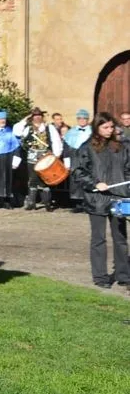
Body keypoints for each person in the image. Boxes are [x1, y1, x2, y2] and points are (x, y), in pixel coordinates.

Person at [72, 112, 130, 290]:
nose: (109, 130)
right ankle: (100, 276)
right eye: (105, 127)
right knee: (98, 239)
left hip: (119, 197)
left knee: (120, 239)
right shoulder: (86, 147)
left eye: (111, 127)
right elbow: (78, 172)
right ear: (96, 128)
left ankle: (123, 275)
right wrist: (95, 183)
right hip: (97, 198)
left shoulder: (121, 147)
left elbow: (127, 169)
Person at [13, 107, 63, 211]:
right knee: (33, 180)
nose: (37, 118)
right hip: (32, 157)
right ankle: (32, 203)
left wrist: (56, 155)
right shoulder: (27, 128)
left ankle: (47, 203)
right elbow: (16, 131)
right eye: (35, 116)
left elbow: (56, 141)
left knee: (46, 180)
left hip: (46, 158)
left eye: (39, 115)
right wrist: (24, 120)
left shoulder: (49, 128)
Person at [0, 111, 20, 209]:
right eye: (0, 119)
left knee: (8, 179)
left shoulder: (10, 132)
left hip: (8, 156)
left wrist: (16, 160)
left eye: (4, 119)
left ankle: (7, 201)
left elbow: (16, 146)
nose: (3, 121)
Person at [64, 109, 93, 213]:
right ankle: (78, 204)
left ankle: (88, 204)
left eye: (84, 118)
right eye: (80, 118)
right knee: (75, 181)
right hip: (74, 158)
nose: (82, 120)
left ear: (87, 119)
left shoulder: (92, 132)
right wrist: (67, 162)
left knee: (87, 180)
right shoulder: (71, 132)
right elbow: (66, 147)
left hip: (87, 159)